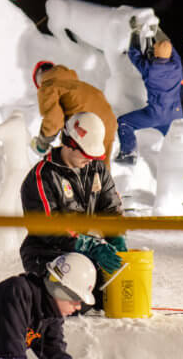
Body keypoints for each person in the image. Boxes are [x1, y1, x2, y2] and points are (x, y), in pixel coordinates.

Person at [19, 112, 126, 310]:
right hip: (47, 255)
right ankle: (37, 291)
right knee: (72, 304)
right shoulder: (41, 177)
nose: (91, 159)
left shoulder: (97, 170)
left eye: (95, 155)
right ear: (69, 144)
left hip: (82, 256)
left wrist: (116, 239)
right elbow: (50, 229)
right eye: (87, 154)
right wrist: (91, 246)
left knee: (113, 298)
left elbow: (111, 209)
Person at [30, 61, 118, 165]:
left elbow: (54, 120)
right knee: (100, 173)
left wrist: (42, 143)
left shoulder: (48, 86)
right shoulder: (81, 85)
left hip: (83, 129)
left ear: (39, 77)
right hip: (107, 128)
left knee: (69, 167)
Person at [116, 38, 183, 161]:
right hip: (175, 116)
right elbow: (174, 53)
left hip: (155, 115)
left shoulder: (150, 69)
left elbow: (134, 55)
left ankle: (128, 154)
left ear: (155, 53)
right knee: (178, 145)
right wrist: (162, 42)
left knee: (124, 122)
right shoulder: (177, 67)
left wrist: (134, 37)